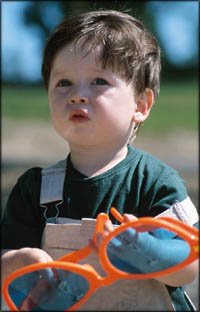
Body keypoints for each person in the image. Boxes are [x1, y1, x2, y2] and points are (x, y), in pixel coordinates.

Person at [1, 9, 199, 311]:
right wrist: (19, 262)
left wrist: (148, 250)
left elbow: (188, 266)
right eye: (64, 82)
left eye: (98, 81)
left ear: (141, 104)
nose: (77, 95)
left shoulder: (155, 182)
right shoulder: (36, 189)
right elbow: (6, 267)